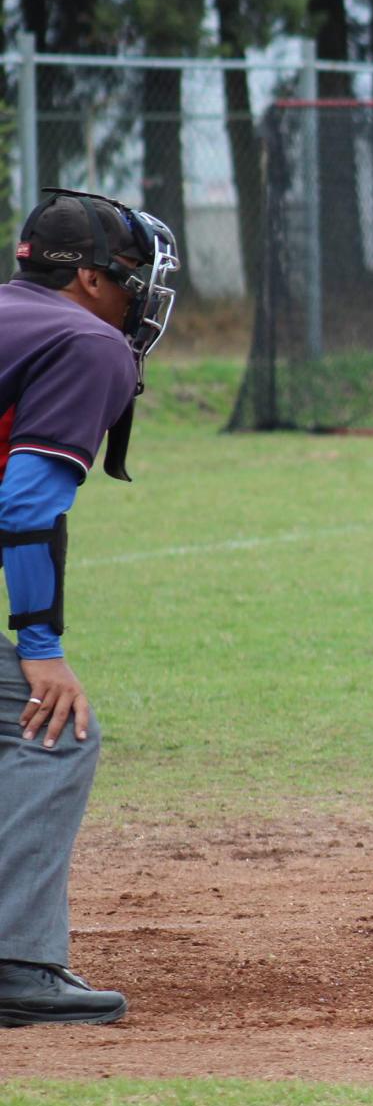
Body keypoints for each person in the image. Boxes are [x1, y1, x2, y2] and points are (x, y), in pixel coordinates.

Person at [2, 189, 179, 1026]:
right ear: (87, 280)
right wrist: (40, 647)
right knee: (47, 725)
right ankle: (17, 965)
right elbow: (28, 505)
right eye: (132, 273)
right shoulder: (85, 341)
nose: (141, 293)